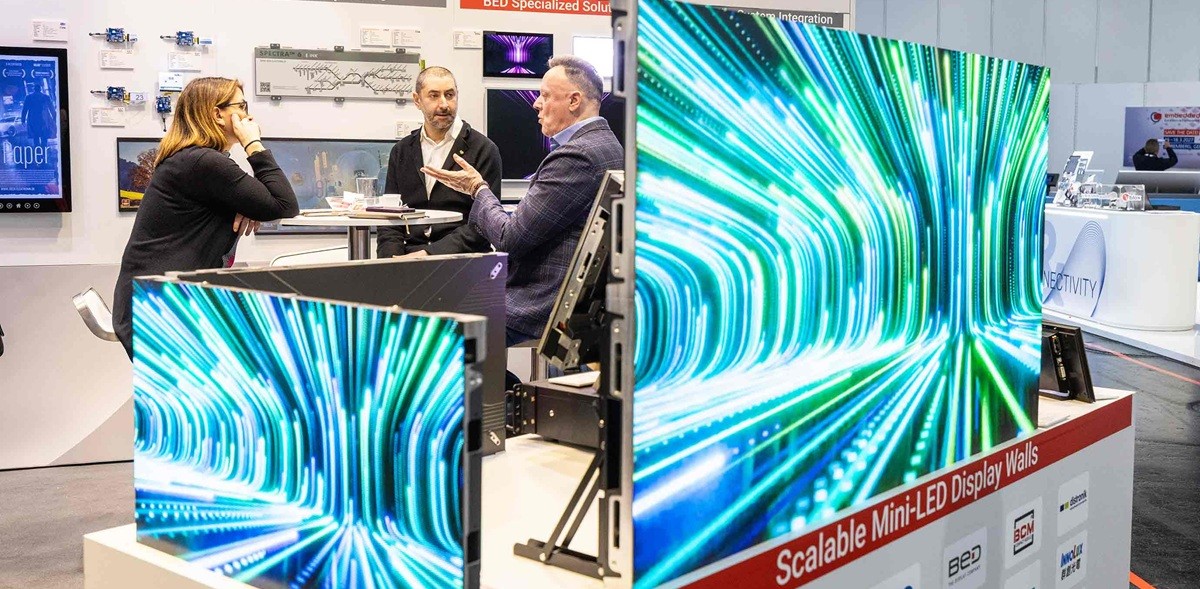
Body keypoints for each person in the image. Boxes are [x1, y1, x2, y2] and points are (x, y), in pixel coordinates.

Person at [423, 56, 624, 346]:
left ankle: (494, 389)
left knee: (432, 326)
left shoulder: (576, 157)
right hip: (570, 298)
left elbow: (509, 238)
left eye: (545, 95)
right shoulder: (609, 146)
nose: (536, 104)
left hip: (541, 303)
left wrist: (478, 188)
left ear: (574, 101)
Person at [112, 77, 299, 359]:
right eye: (242, 106)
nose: (249, 115)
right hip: (162, 309)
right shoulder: (203, 162)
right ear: (216, 114)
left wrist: (247, 205)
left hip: (162, 300)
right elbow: (284, 204)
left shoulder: (195, 159)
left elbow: (267, 202)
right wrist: (254, 144)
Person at [377, 67, 502, 258]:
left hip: (462, 260)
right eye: (434, 96)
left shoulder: (484, 150)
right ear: (417, 100)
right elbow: (390, 218)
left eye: (449, 95)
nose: (444, 104)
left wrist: (428, 254)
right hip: (407, 261)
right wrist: (391, 262)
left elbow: (482, 225)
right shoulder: (401, 151)